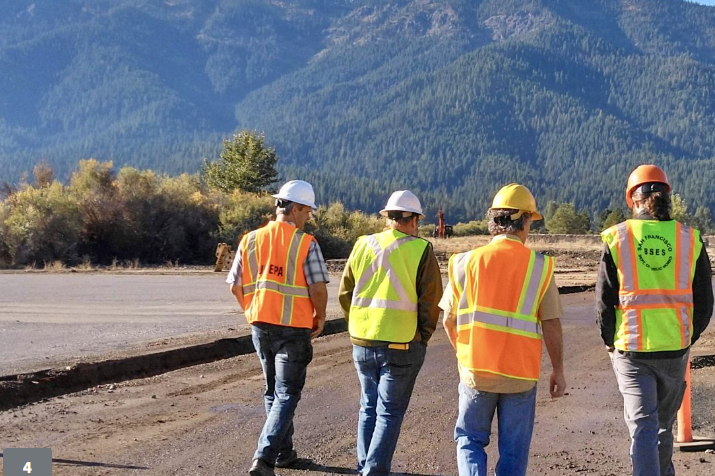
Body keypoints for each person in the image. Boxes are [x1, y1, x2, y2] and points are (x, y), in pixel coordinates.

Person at [441, 183, 566, 476]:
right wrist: (558, 369)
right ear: (524, 220)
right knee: (514, 450)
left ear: (494, 221)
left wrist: (464, 354)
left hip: (476, 371)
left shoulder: (464, 263)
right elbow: (551, 323)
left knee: (470, 440)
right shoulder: (540, 267)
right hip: (520, 375)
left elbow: (448, 320)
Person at [597, 165, 713, 476]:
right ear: (666, 197)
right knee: (663, 426)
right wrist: (687, 336)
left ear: (632, 200)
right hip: (674, 350)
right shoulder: (689, 239)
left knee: (643, 428)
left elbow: (604, 300)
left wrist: (609, 341)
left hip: (631, 350)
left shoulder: (618, 237)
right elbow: (705, 303)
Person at [227, 180, 329, 476]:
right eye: (307, 211)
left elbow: (235, 285)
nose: (308, 217)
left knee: (273, 391)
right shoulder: (305, 242)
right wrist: (320, 317)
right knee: (287, 393)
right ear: (295, 208)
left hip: (260, 325)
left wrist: (251, 310)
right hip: (294, 328)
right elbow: (317, 287)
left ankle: (283, 454)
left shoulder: (250, 239)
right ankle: (264, 457)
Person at [339, 190, 443, 476]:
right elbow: (430, 300)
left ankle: (365, 466)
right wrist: (422, 336)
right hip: (402, 342)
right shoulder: (421, 249)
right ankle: (373, 471)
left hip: (363, 339)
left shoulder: (363, 244)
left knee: (368, 406)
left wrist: (356, 324)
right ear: (413, 219)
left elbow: (345, 293)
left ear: (388, 217)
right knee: (388, 412)